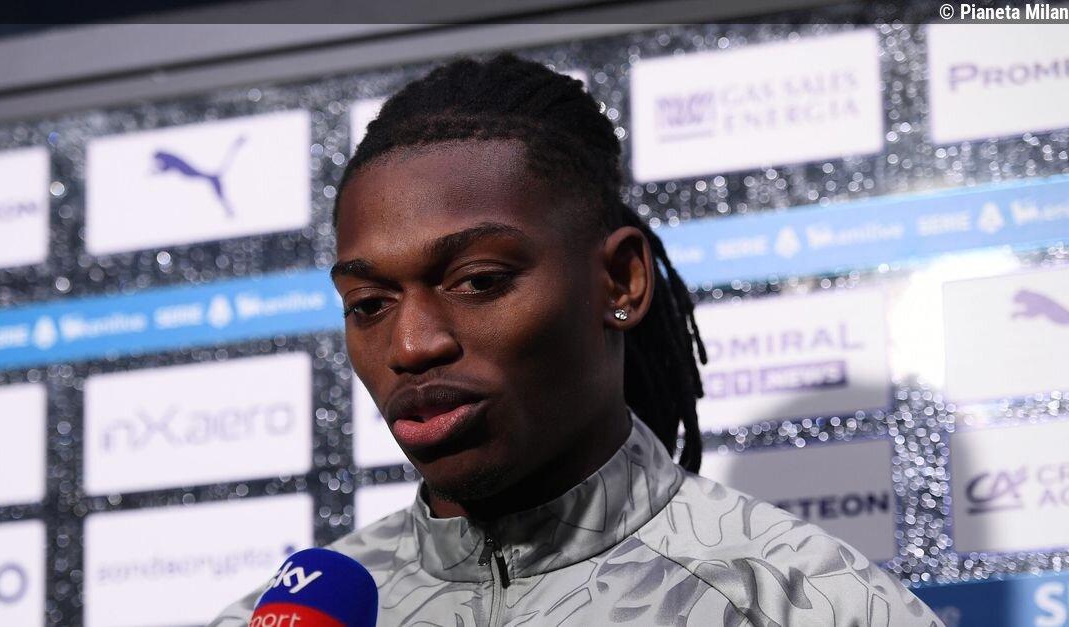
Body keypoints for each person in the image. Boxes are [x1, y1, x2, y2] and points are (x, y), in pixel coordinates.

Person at [210, 54, 942, 626]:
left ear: (620, 281)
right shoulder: (276, 616)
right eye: (369, 304)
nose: (411, 345)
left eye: (478, 281)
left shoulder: (803, 602)